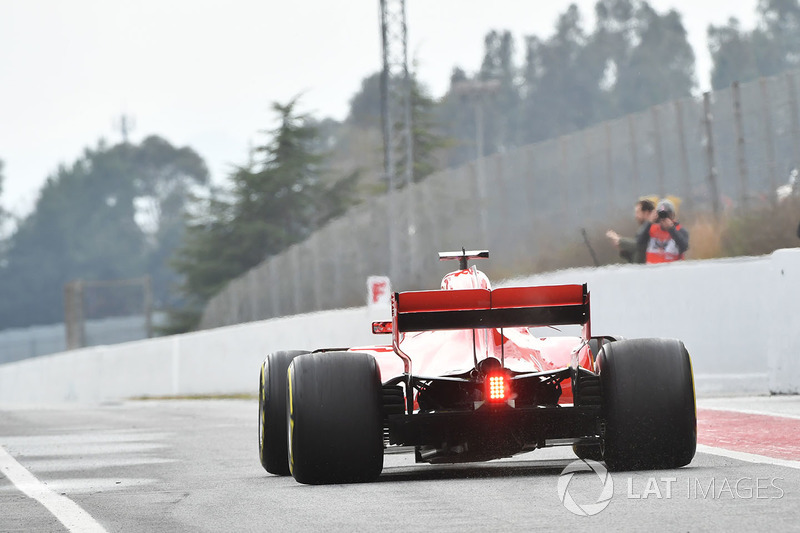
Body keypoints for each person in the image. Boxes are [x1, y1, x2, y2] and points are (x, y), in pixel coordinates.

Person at [636, 198, 689, 264]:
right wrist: (649, 222)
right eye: (661, 215)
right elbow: (639, 242)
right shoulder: (651, 229)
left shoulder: (679, 230)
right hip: (652, 270)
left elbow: (684, 247)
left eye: (667, 215)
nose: (663, 218)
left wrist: (671, 229)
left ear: (672, 215)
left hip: (672, 270)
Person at [606, 198, 656, 264]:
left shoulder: (655, 230)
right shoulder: (642, 232)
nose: (636, 216)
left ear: (646, 213)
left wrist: (620, 241)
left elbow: (639, 246)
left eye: (638, 212)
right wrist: (623, 250)